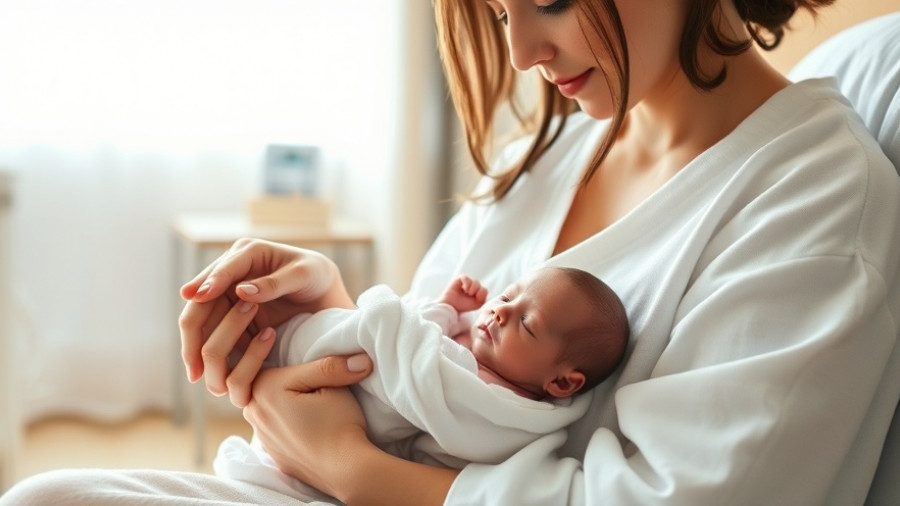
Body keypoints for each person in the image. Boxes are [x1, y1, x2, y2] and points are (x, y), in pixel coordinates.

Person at [2, 0, 899, 504]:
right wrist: (334, 320)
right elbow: (433, 375)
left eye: (547, 0)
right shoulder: (546, 151)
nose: (519, 54)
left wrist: (355, 472)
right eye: (498, 10)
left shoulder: (816, 197)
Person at [214, 266, 628, 499]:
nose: (500, 312)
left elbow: (415, 364)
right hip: (308, 420)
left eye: (527, 322)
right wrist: (446, 309)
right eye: (506, 297)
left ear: (560, 383)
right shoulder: (478, 346)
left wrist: (418, 316)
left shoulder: (499, 405)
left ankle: (278, 342)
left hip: (335, 461)